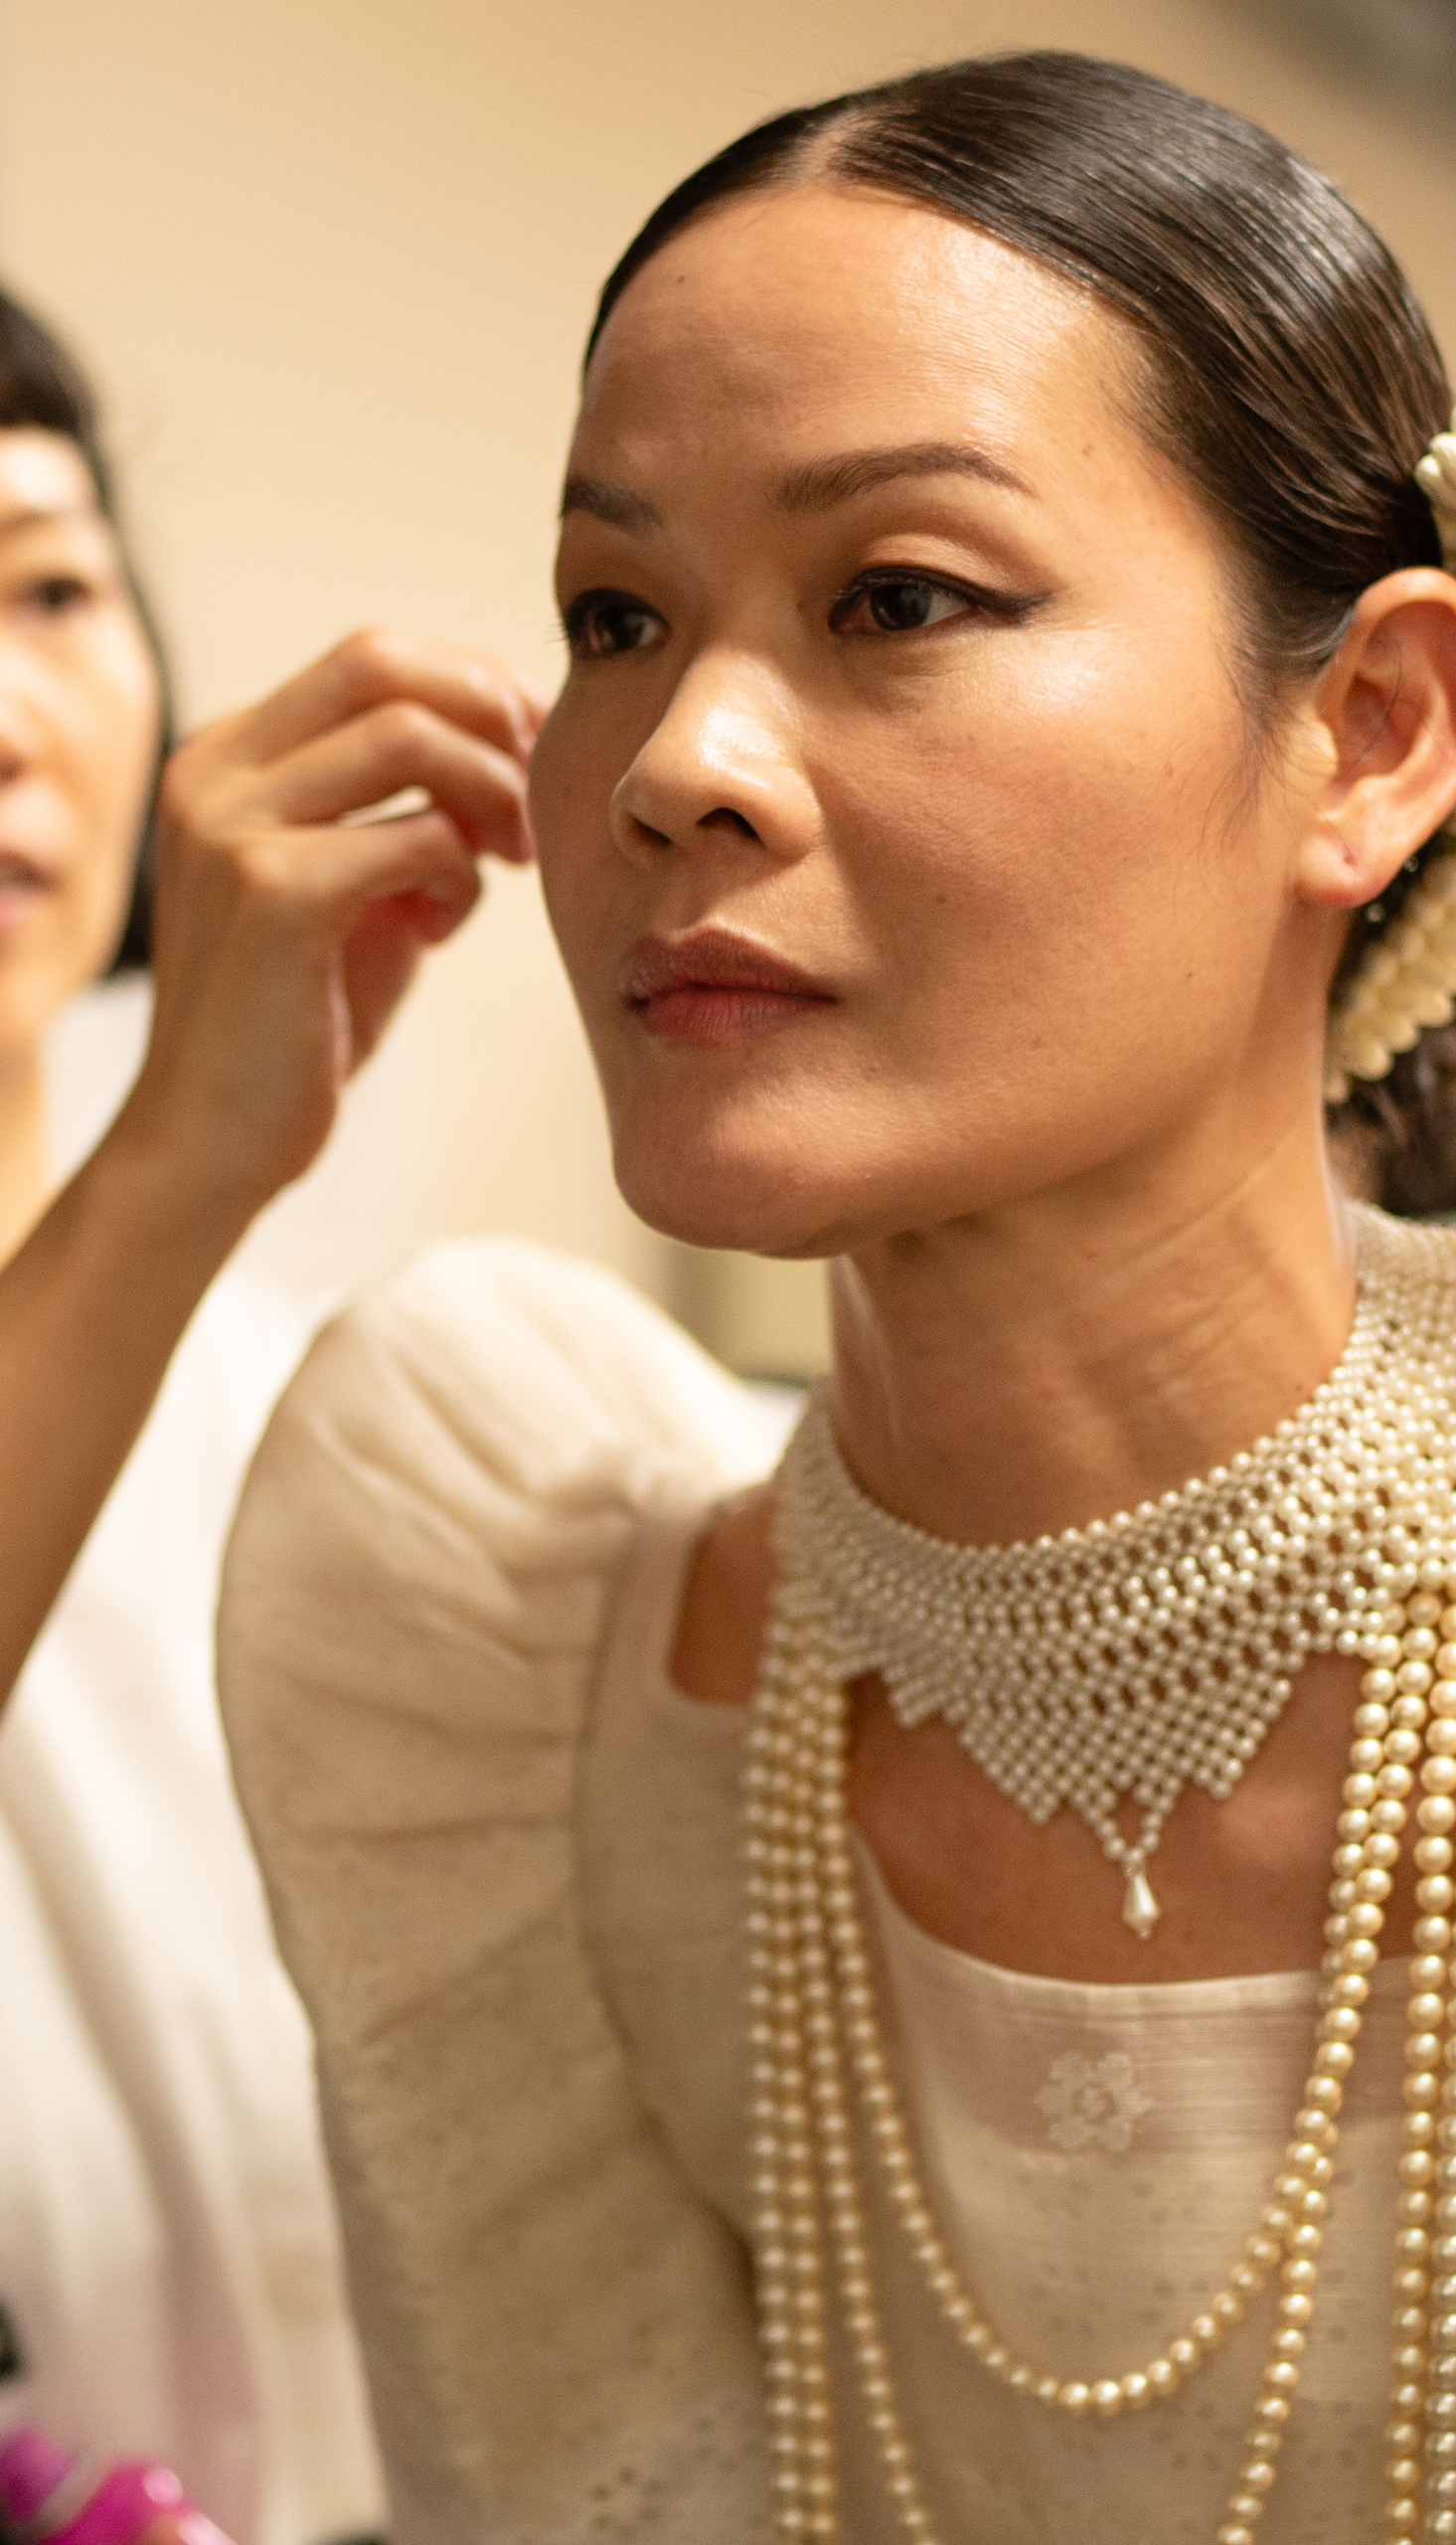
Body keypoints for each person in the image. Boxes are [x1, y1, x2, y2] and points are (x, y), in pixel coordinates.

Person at [214, 53, 1456, 2545]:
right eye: (614, 615)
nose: (673, 760)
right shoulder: (514, 1671)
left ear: (1373, 730)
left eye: (897, 597)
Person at [0, 281, 542, 2543]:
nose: (4, 715)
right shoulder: (169, 1244)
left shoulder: (360, 1431)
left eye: (48, 590)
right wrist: (175, 1169)